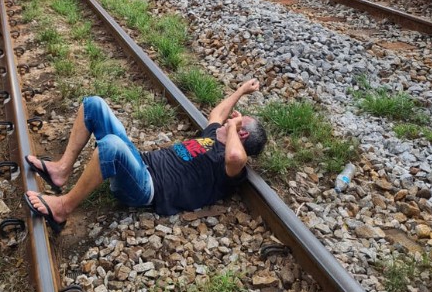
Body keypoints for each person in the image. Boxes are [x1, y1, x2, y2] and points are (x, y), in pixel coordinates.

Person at [23, 79, 267, 231]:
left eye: (238, 120)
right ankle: (61, 170)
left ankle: (63, 208)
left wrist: (233, 127)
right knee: (94, 104)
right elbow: (217, 112)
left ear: (242, 134)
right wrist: (241, 90)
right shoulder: (215, 136)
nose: (232, 117)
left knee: (110, 146)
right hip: (141, 164)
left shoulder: (231, 164)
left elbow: (236, 157)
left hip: (147, 188)